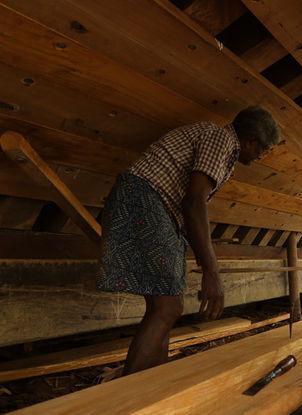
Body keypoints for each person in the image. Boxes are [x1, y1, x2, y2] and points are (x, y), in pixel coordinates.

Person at [97, 106, 281, 374]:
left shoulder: (217, 140)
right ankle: (132, 396)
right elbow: (194, 202)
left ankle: (154, 381)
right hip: (145, 199)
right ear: (250, 141)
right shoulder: (221, 139)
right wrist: (211, 271)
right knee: (168, 306)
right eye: (264, 150)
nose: (262, 156)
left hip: (150, 204)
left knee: (163, 306)